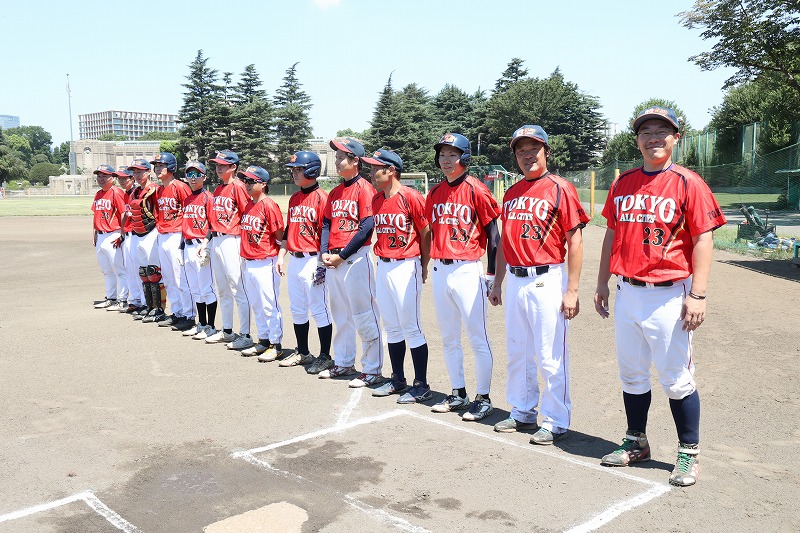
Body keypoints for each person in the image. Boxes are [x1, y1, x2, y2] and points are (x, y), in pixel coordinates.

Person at [594, 106, 727, 487]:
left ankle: (689, 453)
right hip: (628, 291)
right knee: (632, 373)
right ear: (637, 140)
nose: (653, 138)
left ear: (675, 138)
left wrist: (698, 294)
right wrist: (602, 282)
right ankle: (636, 441)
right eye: (646, 131)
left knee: (676, 378)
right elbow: (611, 234)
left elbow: (703, 239)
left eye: (661, 131)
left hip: (669, 294)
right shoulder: (624, 183)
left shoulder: (688, 182)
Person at [488, 125, 589, 444]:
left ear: (546, 151)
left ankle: (556, 419)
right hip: (516, 280)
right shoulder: (512, 193)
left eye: (534, 148)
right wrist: (497, 281)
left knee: (549, 354)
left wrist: (572, 290)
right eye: (521, 150)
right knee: (518, 351)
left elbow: (575, 241)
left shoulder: (560, 188)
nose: (527, 154)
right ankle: (522, 410)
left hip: (547, 278)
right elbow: (504, 243)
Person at [425, 133, 501, 421]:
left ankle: (483, 397)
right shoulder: (435, 192)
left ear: (464, 158)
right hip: (440, 269)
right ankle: (458, 393)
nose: (446, 160)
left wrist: (492, 274)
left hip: (468, 268)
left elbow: (494, 235)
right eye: (442, 154)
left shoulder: (476, 189)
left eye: (452, 154)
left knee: (477, 337)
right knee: (448, 338)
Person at [361, 149, 433, 404]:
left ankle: (421, 384)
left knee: (411, 326)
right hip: (383, 264)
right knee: (391, 327)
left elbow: (426, 232)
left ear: (391, 170)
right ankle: (398, 379)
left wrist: (423, 265)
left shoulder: (410, 196)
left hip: (406, 265)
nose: (371, 173)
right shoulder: (377, 199)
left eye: (375, 168)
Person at [318, 137, 385, 388]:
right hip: (334, 259)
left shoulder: (364, 188)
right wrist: (324, 252)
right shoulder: (335, 192)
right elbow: (326, 223)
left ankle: (372, 368)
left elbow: (366, 227)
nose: (336, 162)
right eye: (336, 158)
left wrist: (342, 255)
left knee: (363, 314)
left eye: (341, 158)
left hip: (355, 258)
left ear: (355, 160)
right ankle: (344, 362)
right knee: (341, 315)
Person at [275, 151, 333, 369]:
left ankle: (325, 356)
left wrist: (322, 264)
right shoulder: (294, 198)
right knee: (297, 309)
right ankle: (303, 352)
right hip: (295, 259)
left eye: (298, 169)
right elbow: (289, 230)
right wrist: (281, 255)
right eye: (293, 169)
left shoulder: (322, 198)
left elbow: (326, 232)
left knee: (318, 309)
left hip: (313, 259)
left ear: (311, 170)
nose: (294, 173)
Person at [205, 150, 254, 351]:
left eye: (223, 165)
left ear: (233, 167)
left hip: (232, 239)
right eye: (217, 164)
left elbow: (247, 214)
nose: (218, 168)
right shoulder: (218, 189)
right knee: (223, 289)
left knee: (237, 288)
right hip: (217, 240)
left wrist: (245, 245)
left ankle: (246, 334)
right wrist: (208, 244)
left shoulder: (239, 187)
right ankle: (227, 331)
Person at [236, 166, 285, 359]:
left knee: (269, 305)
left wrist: (279, 257)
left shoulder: (269, 205)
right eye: (245, 181)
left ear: (263, 184)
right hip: (249, 261)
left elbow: (279, 236)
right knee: (256, 304)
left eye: (251, 181)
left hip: (265, 261)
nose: (247, 184)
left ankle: (276, 344)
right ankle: (263, 340)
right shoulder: (249, 205)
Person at [152, 152, 195, 331]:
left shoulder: (180, 186)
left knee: (180, 278)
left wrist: (186, 236)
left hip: (177, 234)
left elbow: (190, 210)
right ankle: (177, 312)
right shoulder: (159, 190)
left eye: (161, 165)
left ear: (171, 167)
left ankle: (188, 315)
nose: (157, 168)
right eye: (156, 166)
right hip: (163, 235)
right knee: (169, 278)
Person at [179, 161, 218, 340]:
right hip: (188, 245)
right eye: (190, 174)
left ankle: (211, 326)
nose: (193, 178)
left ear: (204, 177)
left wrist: (207, 245)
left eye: (197, 174)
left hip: (201, 245)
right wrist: (181, 248)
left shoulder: (208, 197)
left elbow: (212, 224)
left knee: (206, 287)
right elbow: (185, 225)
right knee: (194, 288)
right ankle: (201, 324)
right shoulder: (187, 199)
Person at [91, 164, 126, 309]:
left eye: (104, 176)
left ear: (112, 178)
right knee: (106, 270)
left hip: (113, 234)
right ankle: (111, 298)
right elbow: (96, 215)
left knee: (119, 270)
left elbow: (123, 214)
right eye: (99, 176)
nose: (101, 178)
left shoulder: (116, 192)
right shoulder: (98, 194)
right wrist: (94, 233)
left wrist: (122, 234)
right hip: (101, 235)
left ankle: (123, 300)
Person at [112, 165, 141, 313]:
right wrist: (122, 233)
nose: (121, 181)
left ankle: (143, 302)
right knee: (130, 270)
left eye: (124, 178)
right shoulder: (126, 194)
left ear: (132, 178)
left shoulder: (137, 193)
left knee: (138, 270)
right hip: (128, 235)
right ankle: (134, 300)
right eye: (119, 178)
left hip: (137, 234)